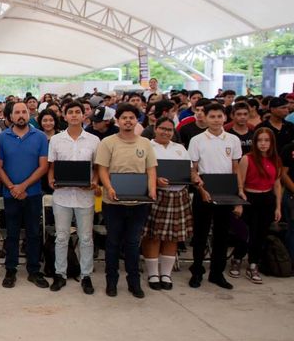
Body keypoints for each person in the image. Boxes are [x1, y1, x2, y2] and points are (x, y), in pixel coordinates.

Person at [95, 103, 157, 298]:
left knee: (132, 243)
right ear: (118, 121)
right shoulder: (108, 142)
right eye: (124, 118)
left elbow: (151, 169)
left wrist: (152, 189)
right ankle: (111, 282)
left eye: (132, 117)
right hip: (113, 202)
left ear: (136, 120)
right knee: (113, 243)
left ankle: (134, 282)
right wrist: (110, 188)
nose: (128, 121)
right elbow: (102, 169)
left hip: (138, 202)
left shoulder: (145, 143)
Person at [47, 101, 100, 294]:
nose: (75, 115)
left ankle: (86, 275)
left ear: (84, 115)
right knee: (61, 237)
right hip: (62, 196)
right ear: (65, 115)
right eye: (71, 112)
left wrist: (94, 182)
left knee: (86, 238)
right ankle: (60, 274)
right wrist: (51, 180)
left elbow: (97, 168)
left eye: (78, 112)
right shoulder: (56, 140)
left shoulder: (94, 140)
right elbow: (52, 167)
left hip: (85, 196)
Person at [188, 103, 243, 289]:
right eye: (212, 116)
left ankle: (217, 273)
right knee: (200, 234)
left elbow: (235, 166)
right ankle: (196, 271)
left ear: (225, 118)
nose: (216, 120)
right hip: (204, 188)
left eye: (219, 116)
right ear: (205, 117)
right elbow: (193, 168)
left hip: (226, 189)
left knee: (222, 234)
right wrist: (201, 188)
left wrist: (239, 191)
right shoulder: (197, 140)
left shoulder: (233, 140)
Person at [0, 101, 50, 289]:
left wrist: (23, 186)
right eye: (17, 112)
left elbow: (43, 166)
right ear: (10, 116)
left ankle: (34, 270)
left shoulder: (41, 137)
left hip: (33, 193)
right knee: (11, 234)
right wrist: (13, 187)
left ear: (30, 115)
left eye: (24, 112)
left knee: (33, 233)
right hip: (10, 193)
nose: (21, 115)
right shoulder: (2, 138)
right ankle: (10, 269)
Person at [142, 117, 197, 291]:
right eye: (162, 128)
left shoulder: (179, 148)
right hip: (157, 194)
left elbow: (189, 169)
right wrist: (155, 180)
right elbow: (140, 169)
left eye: (169, 129)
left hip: (179, 195)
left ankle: (166, 273)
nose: (166, 132)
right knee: (153, 236)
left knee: (173, 236)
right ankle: (152, 274)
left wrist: (194, 177)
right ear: (155, 129)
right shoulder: (146, 145)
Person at [230, 128, 282, 284]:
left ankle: (253, 264)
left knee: (261, 233)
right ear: (255, 142)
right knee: (246, 233)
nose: (263, 144)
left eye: (266, 140)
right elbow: (240, 182)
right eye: (260, 140)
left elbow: (277, 184)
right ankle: (237, 258)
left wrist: (278, 206)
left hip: (267, 198)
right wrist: (239, 202)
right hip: (249, 197)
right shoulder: (248, 159)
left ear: (271, 143)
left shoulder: (276, 160)